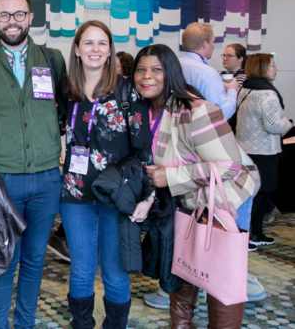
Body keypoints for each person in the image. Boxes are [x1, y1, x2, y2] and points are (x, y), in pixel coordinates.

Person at [0, 0, 67, 329]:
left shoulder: (53, 60)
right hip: (2, 181)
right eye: (4, 15)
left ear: (31, 17)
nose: (12, 21)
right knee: (3, 259)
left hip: (47, 179)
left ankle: (24, 323)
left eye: (19, 14)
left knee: (35, 260)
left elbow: (64, 108)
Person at [136, 44, 256, 329]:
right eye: (140, 69)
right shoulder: (143, 111)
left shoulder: (197, 111)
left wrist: (170, 176)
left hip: (223, 200)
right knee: (185, 268)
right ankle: (181, 325)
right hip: (184, 203)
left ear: (172, 74)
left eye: (156, 70)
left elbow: (229, 166)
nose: (146, 76)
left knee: (220, 276)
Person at [57, 20, 152, 329]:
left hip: (117, 195)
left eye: (102, 43)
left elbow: (144, 150)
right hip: (74, 193)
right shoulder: (67, 90)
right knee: (81, 270)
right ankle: (81, 325)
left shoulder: (128, 91)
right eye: (88, 43)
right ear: (77, 49)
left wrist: (149, 196)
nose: (95, 49)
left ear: (110, 50)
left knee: (114, 271)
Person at [235, 53, 292, 248]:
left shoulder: (245, 89)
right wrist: (288, 123)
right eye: (273, 65)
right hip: (264, 151)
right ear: (262, 69)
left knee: (253, 194)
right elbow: (274, 125)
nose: (276, 68)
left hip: (245, 149)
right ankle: (251, 235)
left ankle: (253, 233)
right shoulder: (268, 93)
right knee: (260, 194)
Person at [179, 23, 239, 119]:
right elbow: (222, 113)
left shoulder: (172, 65)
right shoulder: (207, 73)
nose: (213, 46)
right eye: (213, 42)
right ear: (205, 44)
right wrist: (232, 90)